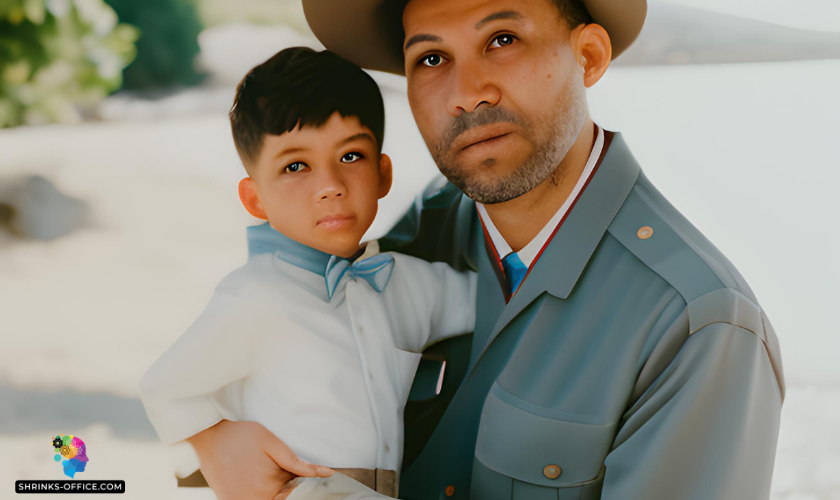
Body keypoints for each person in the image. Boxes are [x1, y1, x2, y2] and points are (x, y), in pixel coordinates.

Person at [191, 0, 787, 499]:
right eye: (431, 58)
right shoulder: (431, 222)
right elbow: (297, 347)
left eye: (503, 39)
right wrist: (212, 440)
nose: (466, 94)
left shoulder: (698, 325)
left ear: (589, 57)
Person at [138, 47, 477, 499]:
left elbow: (502, 300)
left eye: (351, 156)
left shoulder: (409, 283)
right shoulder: (256, 296)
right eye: (295, 166)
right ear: (255, 199)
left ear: (382, 173)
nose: (330, 185)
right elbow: (165, 387)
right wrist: (214, 440)